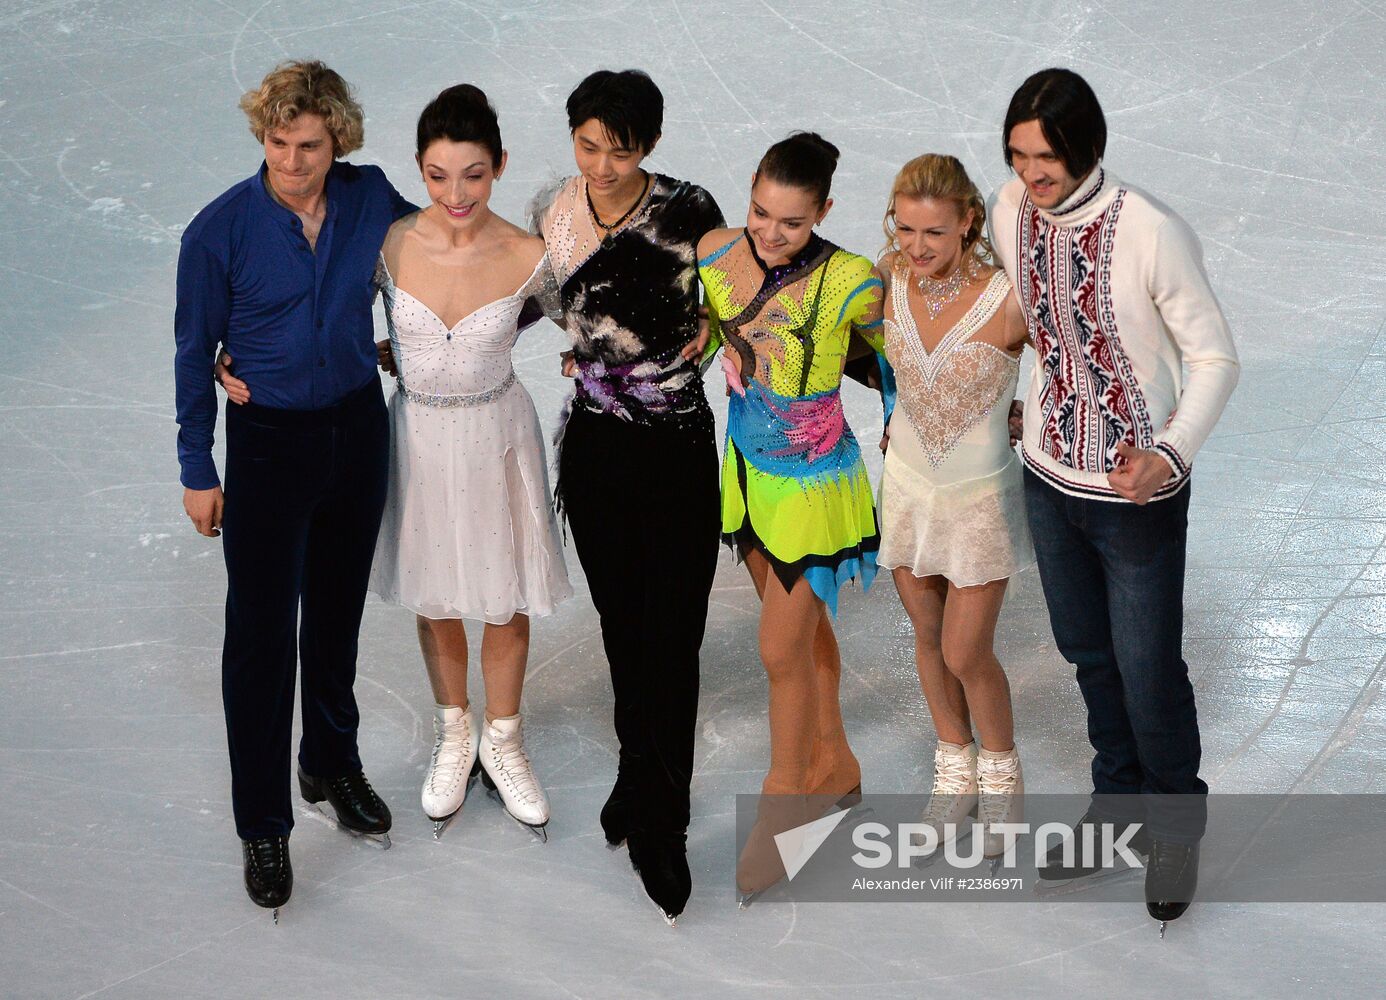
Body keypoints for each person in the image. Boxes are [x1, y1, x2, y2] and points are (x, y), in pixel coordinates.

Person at [219, 85, 573, 842]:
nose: (456, 192)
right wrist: (239, 352)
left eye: (474, 175)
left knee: (505, 596)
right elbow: (319, 303)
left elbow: (581, 314)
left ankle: (503, 741)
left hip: (498, 437)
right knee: (437, 590)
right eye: (440, 175)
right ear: (419, 168)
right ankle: (455, 731)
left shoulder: (530, 254)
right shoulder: (387, 238)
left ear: (500, 166)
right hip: (415, 438)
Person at [989, 68, 1239, 928]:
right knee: (1089, 656)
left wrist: (1169, 455)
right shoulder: (1006, 209)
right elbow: (1035, 316)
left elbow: (1214, 358)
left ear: (1086, 145)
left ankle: (1173, 827)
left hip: (1136, 495)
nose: (1032, 175)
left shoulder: (1150, 232)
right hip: (1047, 477)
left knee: (1147, 668)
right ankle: (1117, 808)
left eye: (1046, 156)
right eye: (1019, 156)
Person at [173, 60, 415, 919]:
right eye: (278, 142)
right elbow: (192, 351)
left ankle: (329, 761)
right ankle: (264, 821)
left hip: (356, 431)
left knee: (339, 615)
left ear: (336, 140)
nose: (290, 160)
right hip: (270, 445)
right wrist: (197, 466)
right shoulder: (219, 232)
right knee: (261, 638)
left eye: (308, 145)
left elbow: (434, 264)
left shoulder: (372, 196)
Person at [530, 69, 725, 924]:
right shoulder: (554, 208)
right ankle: (633, 770)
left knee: (672, 637)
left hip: (677, 447)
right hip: (599, 452)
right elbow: (525, 301)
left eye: (622, 148)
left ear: (648, 146)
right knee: (621, 628)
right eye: (589, 144)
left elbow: (734, 303)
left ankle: (665, 825)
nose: (603, 164)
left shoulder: (688, 211)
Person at [696, 132, 887, 902]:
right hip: (746, 474)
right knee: (806, 634)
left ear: (825, 213)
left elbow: (897, 366)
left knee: (780, 650)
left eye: (792, 224)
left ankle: (787, 801)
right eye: (761, 213)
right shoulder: (715, 253)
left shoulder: (851, 281)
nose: (771, 235)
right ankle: (836, 762)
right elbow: (707, 327)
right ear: (749, 191)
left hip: (816, 492)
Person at [876, 154, 1032, 859]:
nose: (917, 246)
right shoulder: (886, 276)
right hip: (907, 485)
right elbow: (853, 350)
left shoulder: (1009, 297)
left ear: (969, 221)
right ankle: (954, 764)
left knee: (967, 648)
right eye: (905, 228)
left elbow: (1070, 364)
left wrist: (1034, 411)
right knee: (928, 633)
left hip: (978, 500)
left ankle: (1001, 774)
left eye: (934, 232)